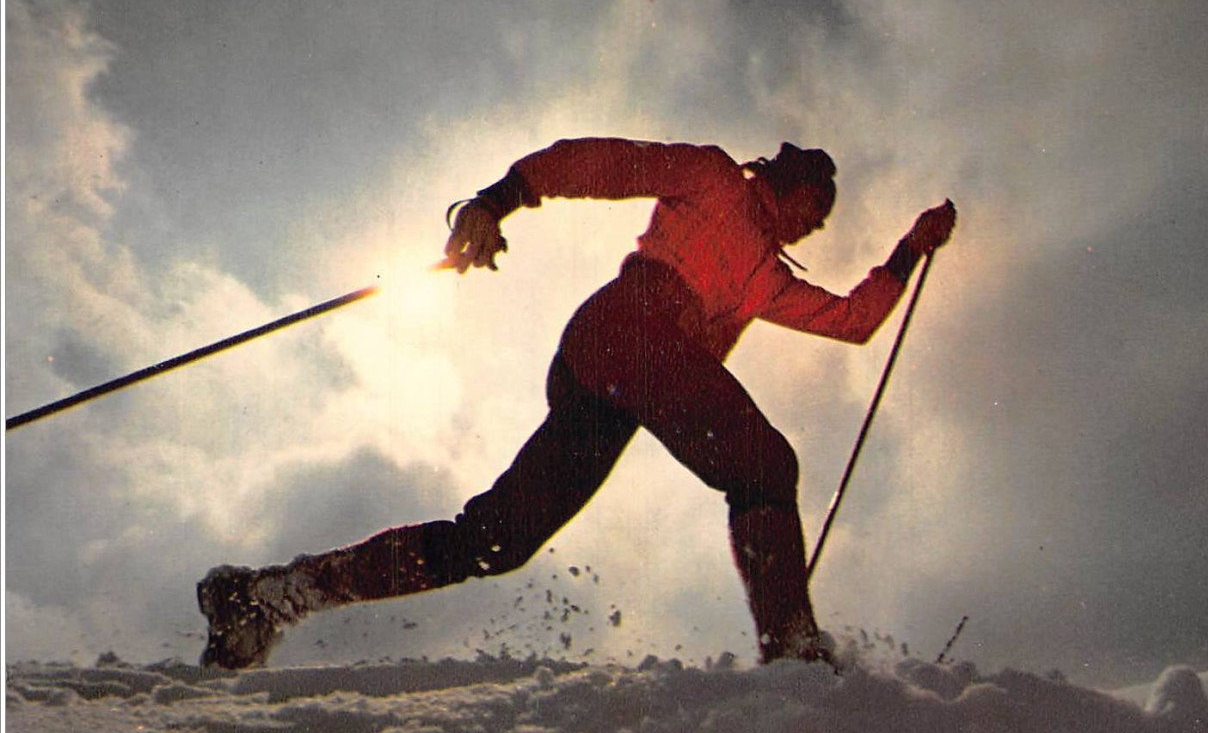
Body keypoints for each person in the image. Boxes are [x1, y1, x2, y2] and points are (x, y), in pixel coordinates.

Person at [197, 137, 956, 670]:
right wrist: (500, 199)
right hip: (633, 327)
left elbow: (852, 322)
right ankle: (790, 647)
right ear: (779, 179)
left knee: (495, 540)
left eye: (820, 219)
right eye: (811, 203)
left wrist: (908, 251)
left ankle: (268, 595)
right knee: (763, 465)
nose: (813, 222)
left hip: (615, 378)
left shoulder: (764, 278)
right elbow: (606, 164)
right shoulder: (717, 179)